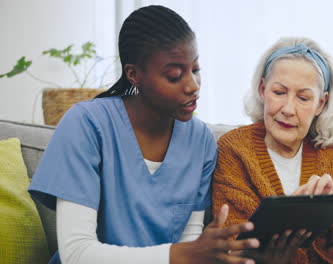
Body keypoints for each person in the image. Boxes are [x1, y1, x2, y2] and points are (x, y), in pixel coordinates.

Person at [28, 5, 259, 264]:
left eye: (195, 69)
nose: (193, 86)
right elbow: (77, 253)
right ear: (134, 75)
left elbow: (188, 245)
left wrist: (206, 251)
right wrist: (176, 255)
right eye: (174, 75)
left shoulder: (200, 141)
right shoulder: (86, 125)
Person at [212, 37, 333, 264]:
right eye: (279, 92)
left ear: (321, 103)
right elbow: (233, 244)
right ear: (262, 89)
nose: (288, 109)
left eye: (303, 98)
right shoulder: (234, 150)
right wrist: (290, 224)